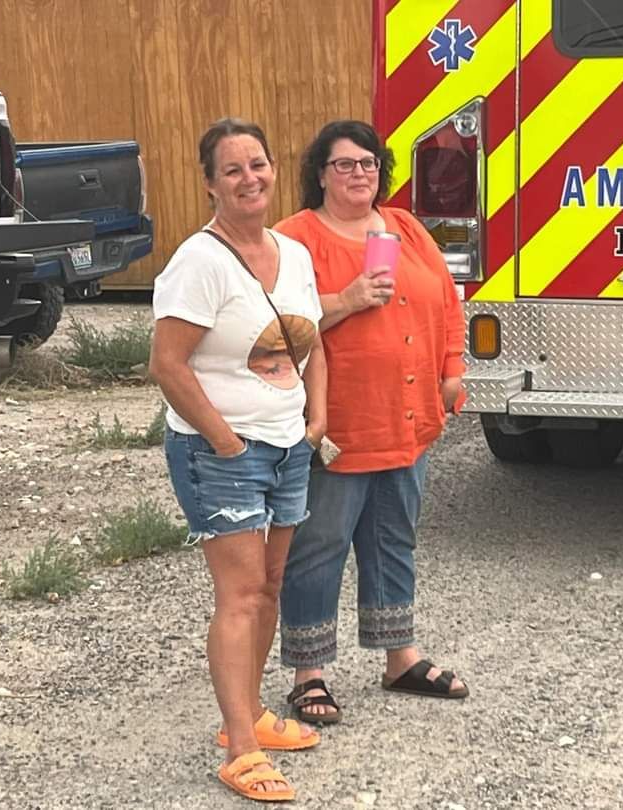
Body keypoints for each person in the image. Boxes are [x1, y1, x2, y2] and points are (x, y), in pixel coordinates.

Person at [151, 118, 327, 803]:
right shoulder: (199, 262)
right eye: (233, 170)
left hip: (287, 446)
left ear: (274, 168)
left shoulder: (294, 253)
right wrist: (224, 439)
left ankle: (248, 717)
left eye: (258, 164)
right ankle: (242, 748)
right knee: (242, 593)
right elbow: (166, 365)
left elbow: (313, 342)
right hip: (220, 451)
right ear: (210, 185)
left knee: (272, 584)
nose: (249, 178)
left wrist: (314, 418)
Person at [275, 120, 469, 726]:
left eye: (368, 163)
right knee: (319, 546)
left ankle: (399, 658)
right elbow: (279, 324)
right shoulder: (295, 239)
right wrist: (349, 300)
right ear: (320, 173)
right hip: (339, 426)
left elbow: (447, 296)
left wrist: (452, 366)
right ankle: (309, 673)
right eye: (344, 164)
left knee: (393, 540)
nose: (359, 174)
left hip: (406, 419)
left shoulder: (405, 226)